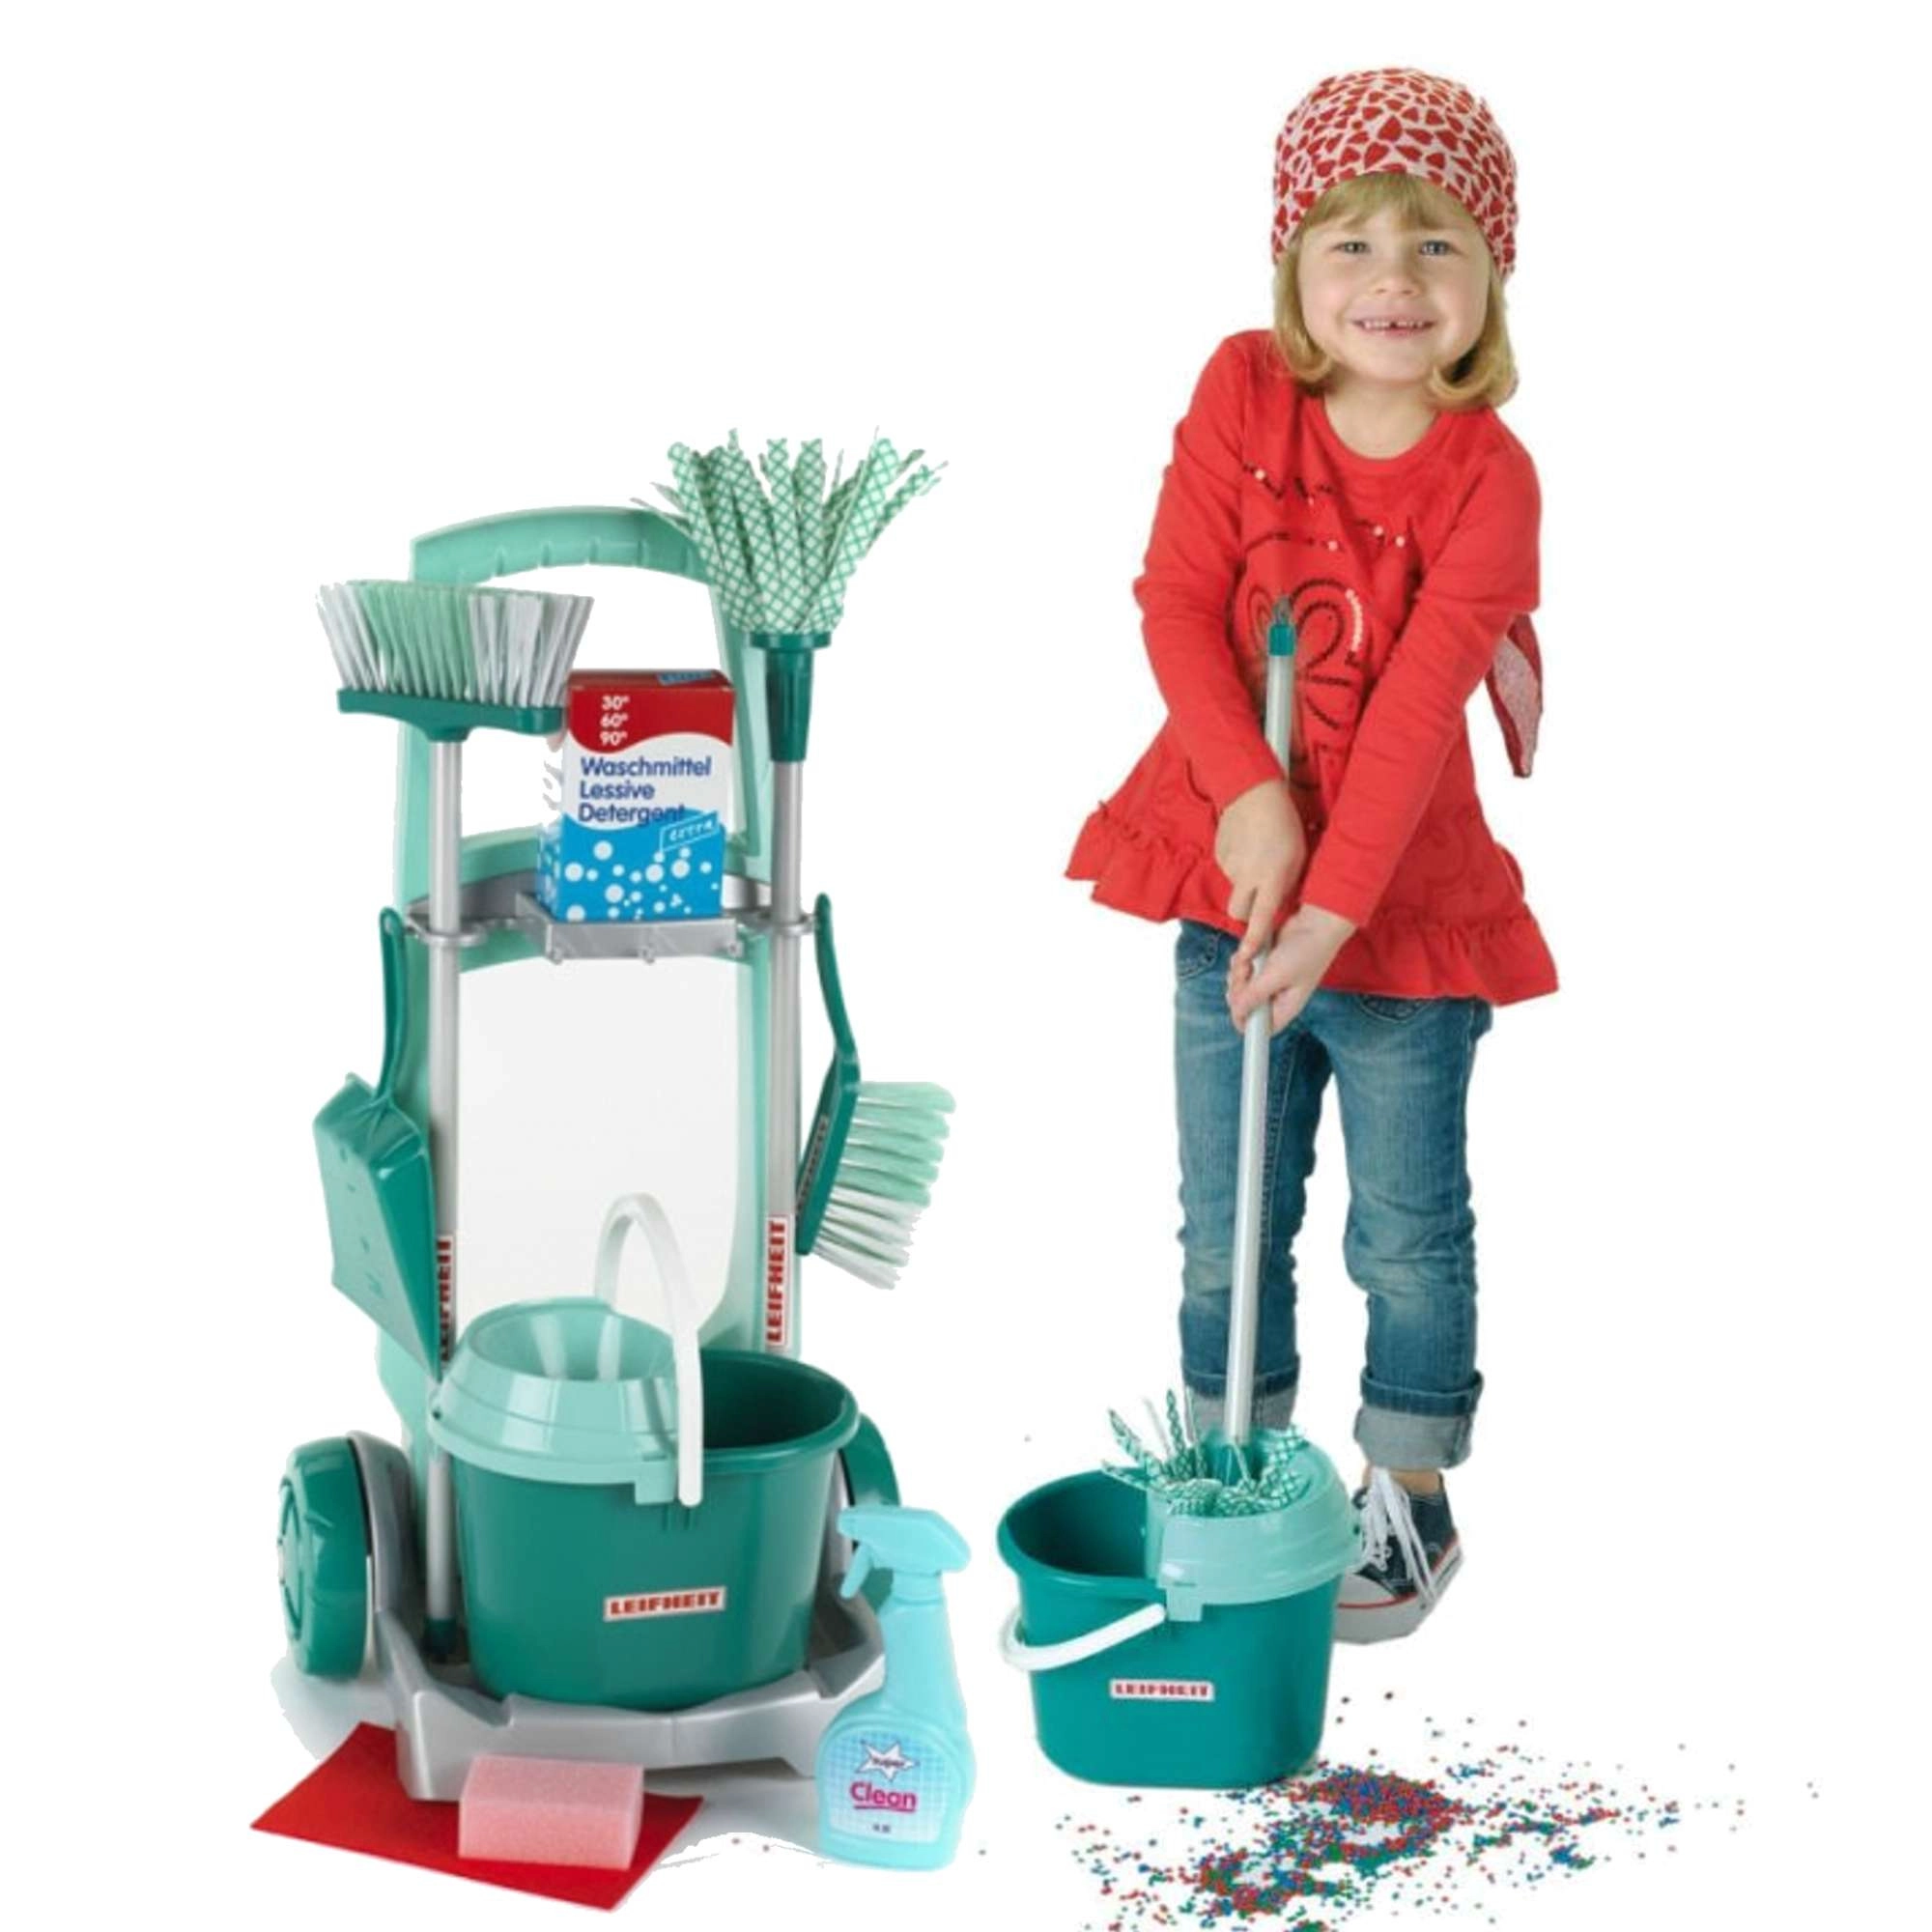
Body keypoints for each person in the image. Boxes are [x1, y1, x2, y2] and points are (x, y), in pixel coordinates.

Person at [1065, 69, 1555, 1642]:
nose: (1393, 281)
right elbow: (1174, 601)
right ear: (1295, 263)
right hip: (1233, 887)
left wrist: (1333, 906)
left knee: (1404, 1233)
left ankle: (1408, 1496)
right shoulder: (1242, 392)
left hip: (1399, 923)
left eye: (1436, 245)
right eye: (1352, 243)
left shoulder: (1489, 477)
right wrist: (1249, 797)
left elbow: (1416, 712)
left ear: (1489, 276)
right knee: (1228, 1213)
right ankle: (1240, 1469)